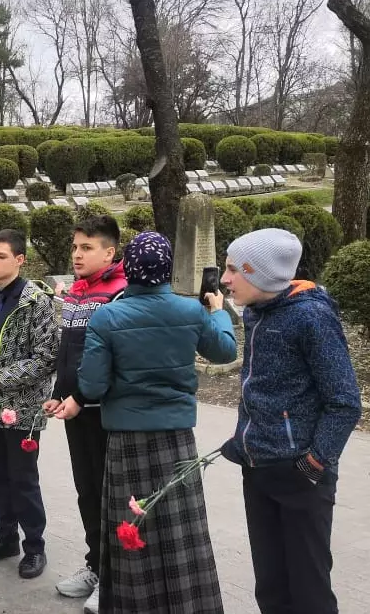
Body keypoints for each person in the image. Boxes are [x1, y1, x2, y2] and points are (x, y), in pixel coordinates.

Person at [76, 231, 237, 614]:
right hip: (175, 437)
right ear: (167, 269)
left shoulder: (107, 317)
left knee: (132, 525)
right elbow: (225, 351)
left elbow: (92, 386)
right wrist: (218, 312)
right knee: (180, 530)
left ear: (128, 268)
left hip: (126, 440)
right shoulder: (190, 311)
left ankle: (135, 604)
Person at [220, 228, 362, 614]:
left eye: (233, 269)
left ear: (260, 273)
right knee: (271, 587)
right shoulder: (256, 312)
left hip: (301, 476)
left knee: (309, 591)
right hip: (258, 468)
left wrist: (315, 463)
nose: (225, 279)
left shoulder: (311, 317)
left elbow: (345, 402)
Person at [0, 229, 59, 580]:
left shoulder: (37, 302)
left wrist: (0, 379)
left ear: (19, 260)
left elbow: (47, 358)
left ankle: (35, 547)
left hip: (20, 409)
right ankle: (5, 538)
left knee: (23, 479)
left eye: (1, 256)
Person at [46, 216, 126, 613]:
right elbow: (69, 353)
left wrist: (79, 395)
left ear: (109, 253)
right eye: (75, 247)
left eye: (87, 248)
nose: (77, 254)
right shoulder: (77, 292)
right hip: (74, 409)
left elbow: (113, 358)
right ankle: (95, 566)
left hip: (103, 412)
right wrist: (58, 394)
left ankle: (113, 578)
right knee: (87, 493)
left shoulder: (120, 294)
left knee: (109, 495)